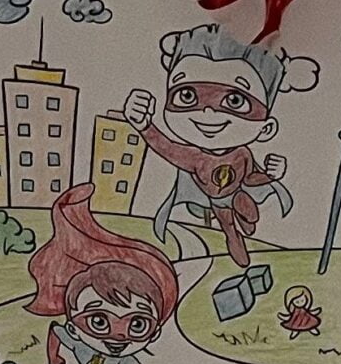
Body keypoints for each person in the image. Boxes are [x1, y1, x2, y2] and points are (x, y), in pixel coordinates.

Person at [122, 24, 313, 269]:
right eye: (187, 95)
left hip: (237, 193)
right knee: (229, 228)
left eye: (234, 100)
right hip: (217, 201)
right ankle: (237, 240)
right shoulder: (194, 158)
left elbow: (251, 177)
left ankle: (247, 222)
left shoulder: (241, 154)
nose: (208, 111)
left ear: (265, 128)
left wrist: (271, 175)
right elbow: (165, 147)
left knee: (249, 214)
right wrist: (143, 125)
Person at [21, 186, 180, 364]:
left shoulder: (121, 355)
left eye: (137, 324)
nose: (118, 336)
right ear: (74, 325)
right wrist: (53, 356)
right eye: (98, 320)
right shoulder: (81, 345)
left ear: (154, 333)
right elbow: (56, 330)